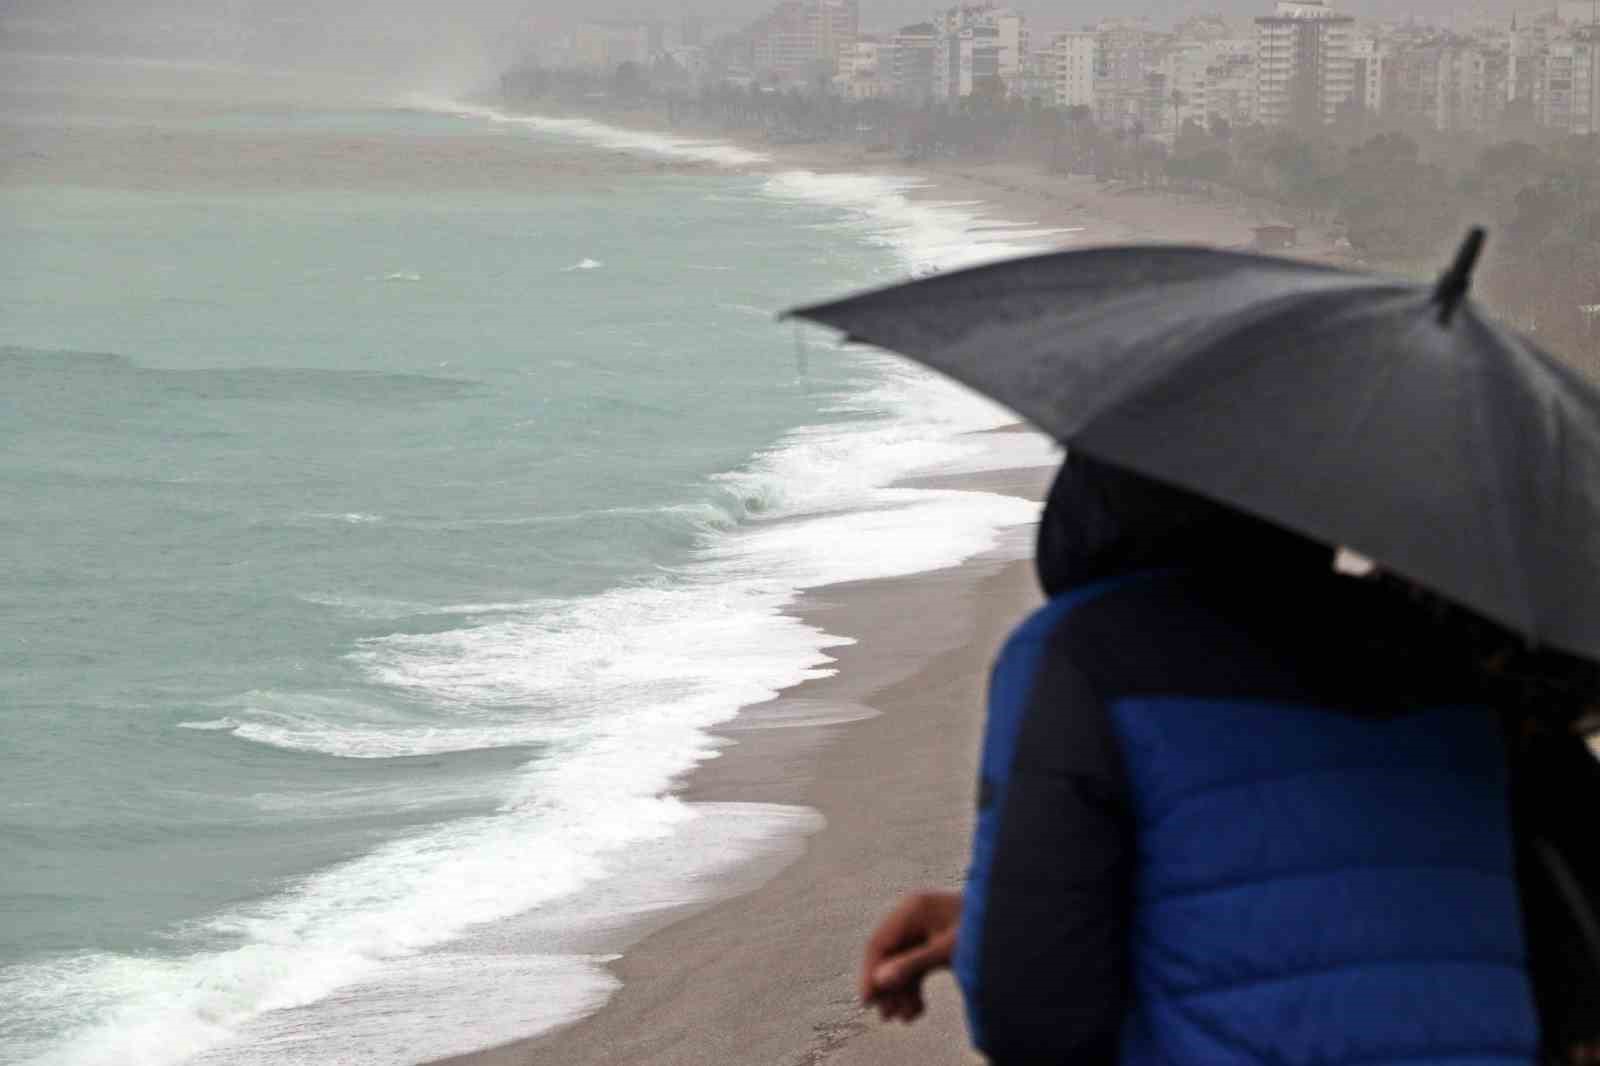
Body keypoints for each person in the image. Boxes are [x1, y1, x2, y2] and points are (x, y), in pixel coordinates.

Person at [860, 452, 1552, 1064]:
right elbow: (1358, 903)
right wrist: (994, 918)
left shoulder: (1081, 655)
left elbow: (1034, 1020)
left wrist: (1003, 937)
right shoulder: (1442, 657)